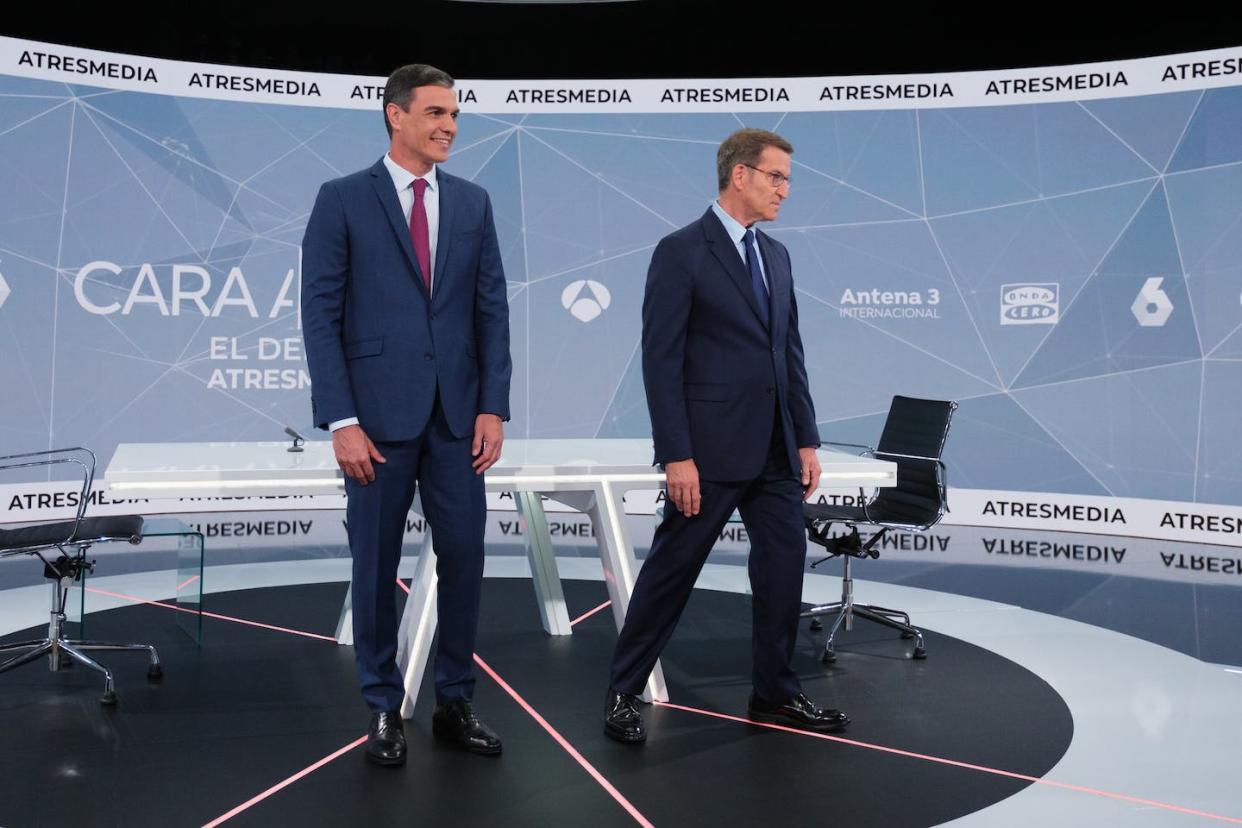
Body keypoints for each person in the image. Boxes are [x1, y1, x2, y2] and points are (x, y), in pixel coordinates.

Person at [603, 128, 848, 743]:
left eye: (787, 179)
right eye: (776, 177)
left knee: (782, 573)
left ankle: (775, 694)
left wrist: (807, 439)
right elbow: (661, 361)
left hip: (776, 450)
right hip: (707, 452)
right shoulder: (681, 251)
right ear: (740, 175)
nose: (785, 190)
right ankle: (622, 694)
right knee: (671, 573)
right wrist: (676, 454)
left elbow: (788, 354)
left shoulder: (779, 255)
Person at [301, 64, 511, 765]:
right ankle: (383, 707)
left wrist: (493, 406)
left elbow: (492, 313)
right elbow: (320, 315)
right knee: (374, 566)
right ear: (395, 115)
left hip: (458, 424)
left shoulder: (475, 203)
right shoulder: (341, 200)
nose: (450, 126)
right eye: (436, 113)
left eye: (455, 115)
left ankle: (454, 700)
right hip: (376, 425)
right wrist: (340, 420)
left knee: (466, 562)